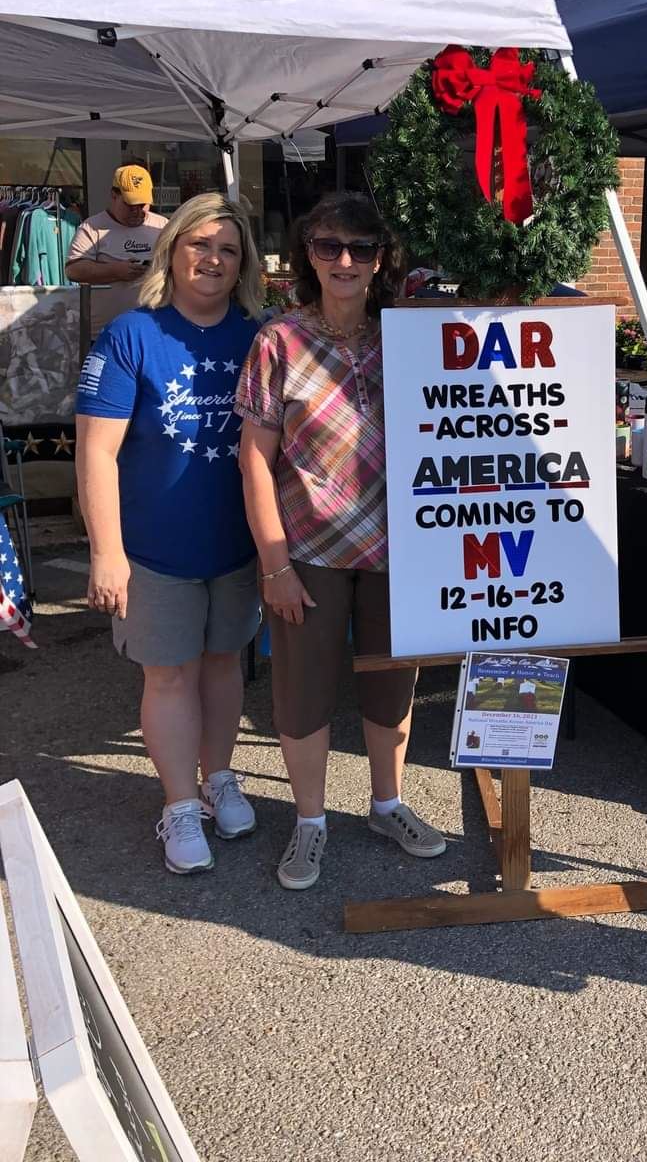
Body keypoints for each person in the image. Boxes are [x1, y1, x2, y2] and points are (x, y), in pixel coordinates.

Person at [235, 191, 446, 892]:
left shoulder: (409, 337)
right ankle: (310, 822)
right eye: (329, 247)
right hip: (311, 550)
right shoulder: (279, 342)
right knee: (302, 693)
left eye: (360, 248)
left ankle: (388, 804)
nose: (345, 261)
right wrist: (274, 566)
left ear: (382, 259)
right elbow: (254, 459)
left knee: (393, 687)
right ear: (308, 255)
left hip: (401, 549)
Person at [75, 193, 264, 875]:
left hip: (236, 544)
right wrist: (106, 552)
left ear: (242, 263)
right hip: (153, 549)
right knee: (169, 676)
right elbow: (95, 451)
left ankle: (219, 778)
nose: (212, 259)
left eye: (228, 249)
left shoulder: (257, 333)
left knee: (223, 666)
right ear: (172, 248)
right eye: (199, 244)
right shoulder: (131, 335)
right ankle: (180, 804)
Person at [66, 164, 168, 338]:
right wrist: (114, 271)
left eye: (143, 205)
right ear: (114, 196)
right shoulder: (92, 228)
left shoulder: (162, 226)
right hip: (104, 334)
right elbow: (73, 270)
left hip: (153, 332)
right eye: (130, 205)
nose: (137, 211)